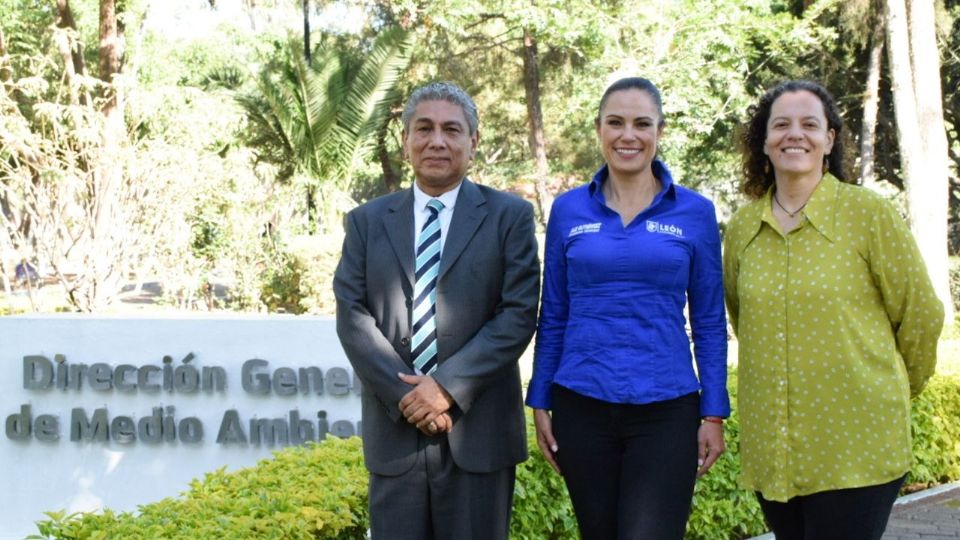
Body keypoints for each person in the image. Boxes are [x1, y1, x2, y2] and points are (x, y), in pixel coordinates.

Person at [723, 80, 944, 540]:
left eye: (810, 124)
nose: (794, 134)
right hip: (774, 449)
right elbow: (742, 317)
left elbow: (920, 315)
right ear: (764, 141)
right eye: (781, 124)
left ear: (830, 140)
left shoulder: (868, 214)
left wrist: (896, 386)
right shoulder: (743, 226)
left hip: (856, 443)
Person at [333, 81, 540, 540]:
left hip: (479, 433)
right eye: (423, 128)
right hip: (395, 435)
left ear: (473, 142)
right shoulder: (367, 222)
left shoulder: (510, 217)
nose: (437, 141)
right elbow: (352, 315)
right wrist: (408, 395)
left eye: (452, 129)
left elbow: (518, 313)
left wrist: (445, 388)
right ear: (405, 139)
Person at [526, 76, 730, 540]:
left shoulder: (694, 212)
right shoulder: (568, 210)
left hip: (666, 409)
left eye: (642, 123)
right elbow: (554, 312)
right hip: (581, 404)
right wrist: (540, 398)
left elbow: (710, 321)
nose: (628, 135)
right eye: (615, 123)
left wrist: (713, 413)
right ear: (599, 129)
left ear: (660, 130)